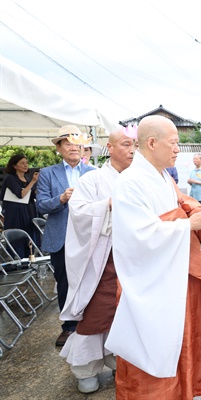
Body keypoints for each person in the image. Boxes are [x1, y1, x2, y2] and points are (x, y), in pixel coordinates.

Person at [105, 115, 201, 399]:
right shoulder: (130, 182)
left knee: (178, 347)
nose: (177, 150)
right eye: (174, 143)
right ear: (151, 142)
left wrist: (194, 211)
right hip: (148, 284)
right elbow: (139, 236)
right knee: (150, 355)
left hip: (171, 279)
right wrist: (187, 225)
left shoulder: (162, 177)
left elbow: (179, 206)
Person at [59, 128, 135, 394]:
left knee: (127, 314)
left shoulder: (142, 179)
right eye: (126, 144)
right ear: (110, 148)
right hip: (104, 258)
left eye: (135, 145)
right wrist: (109, 205)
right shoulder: (92, 180)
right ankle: (86, 368)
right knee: (98, 311)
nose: (132, 150)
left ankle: (120, 362)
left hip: (134, 259)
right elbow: (78, 210)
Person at [37, 125, 96, 346]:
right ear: (59, 148)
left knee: (92, 278)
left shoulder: (93, 173)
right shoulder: (47, 173)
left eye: (78, 143)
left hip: (88, 236)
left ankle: (91, 323)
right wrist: (61, 198)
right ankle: (69, 327)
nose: (74, 147)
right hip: (61, 236)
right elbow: (41, 206)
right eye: (68, 143)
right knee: (64, 282)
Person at [0, 155, 39, 257]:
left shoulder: (27, 178)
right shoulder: (10, 179)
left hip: (28, 211)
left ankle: (30, 256)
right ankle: (17, 259)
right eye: (22, 163)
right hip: (15, 213)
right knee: (18, 237)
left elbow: (33, 195)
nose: (25, 165)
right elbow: (20, 194)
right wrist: (33, 182)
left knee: (29, 235)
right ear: (14, 166)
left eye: (26, 163)